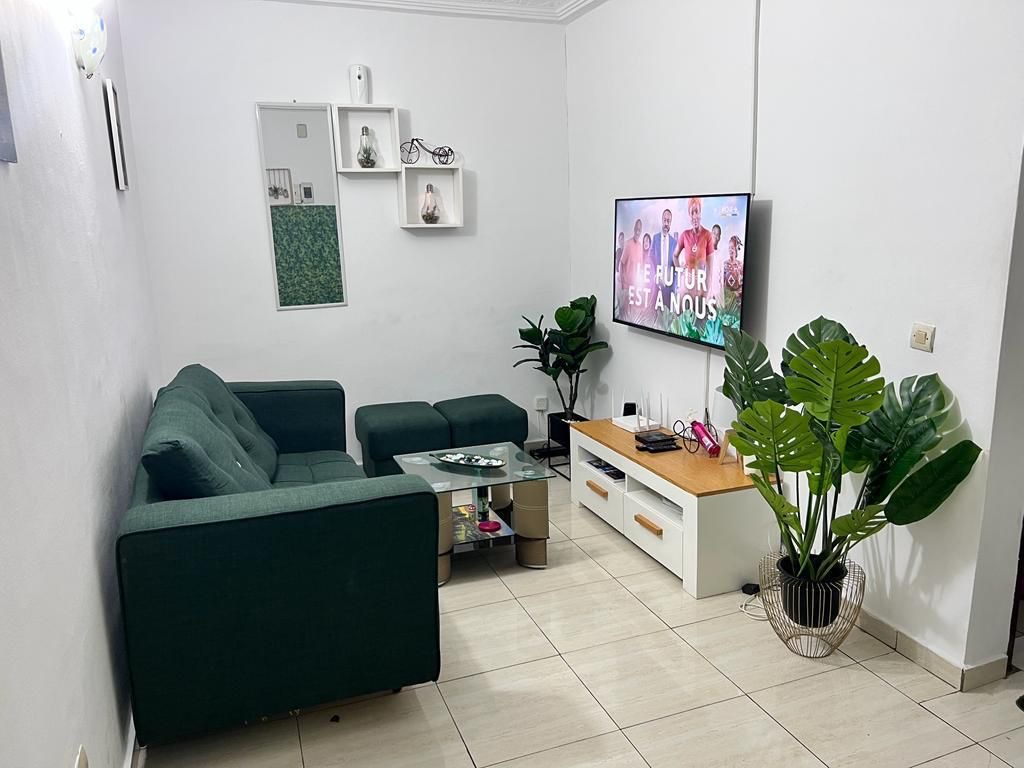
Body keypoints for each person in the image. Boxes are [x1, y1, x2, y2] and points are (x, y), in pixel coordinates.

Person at [672, 197, 715, 298]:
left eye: (697, 212)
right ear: (689, 215)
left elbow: (710, 270)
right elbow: (674, 256)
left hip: (700, 284)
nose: (695, 216)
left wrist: (705, 294)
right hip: (686, 284)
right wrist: (680, 270)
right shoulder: (685, 235)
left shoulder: (707, 235)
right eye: (692, 213)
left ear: (700, 212)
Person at [650, 208, 677, 309]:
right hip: (656, 285)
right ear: (662, 220)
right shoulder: (655, 238)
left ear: (671, 223)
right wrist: (654, 276)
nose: (666, 223)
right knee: (654, 313)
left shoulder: (674, 242)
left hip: (669, 288)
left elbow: (676, 264)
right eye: (665, 220)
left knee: (668, 315)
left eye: (668, 221)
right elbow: (650, 259)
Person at [724, 235, 744, 299]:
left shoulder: (741, 265)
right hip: (727, 299)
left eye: (732, 248)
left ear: (737, 248)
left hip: (738, 300)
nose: (730, 250)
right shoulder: (724, 265)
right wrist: (731, 293)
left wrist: (738, 292)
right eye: (729, 248)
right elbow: (720, 284)